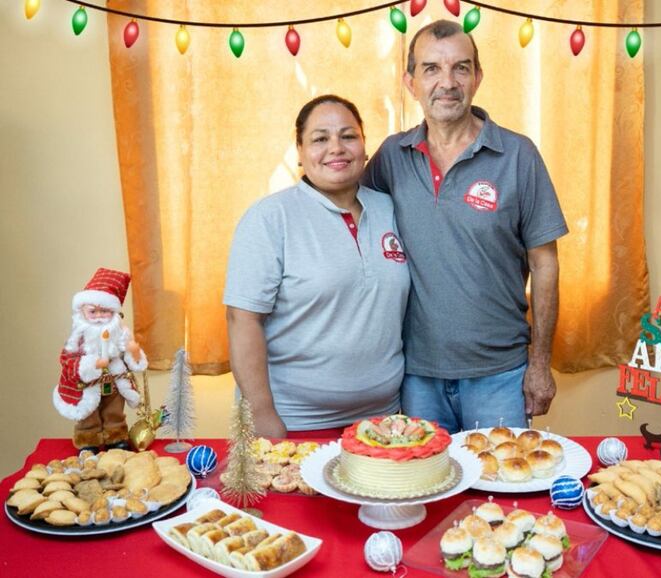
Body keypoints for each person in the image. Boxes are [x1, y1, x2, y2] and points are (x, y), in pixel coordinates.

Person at [362, 20, 568, 433]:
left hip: (501, 375)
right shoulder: (391, 158)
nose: (447, 82)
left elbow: (545, 264)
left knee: (499, 491)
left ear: (477, 77)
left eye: (460, 67)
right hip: (416, 376)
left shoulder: (518, 156)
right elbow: (349, 219)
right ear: (411, 82)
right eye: (432, 69)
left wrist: (540, 364)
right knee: (426, 491)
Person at [224, 95, 410, 437]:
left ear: (364, 146)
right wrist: (262, 415)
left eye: (348, 136)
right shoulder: (269, 218)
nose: (336, 148)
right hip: (294, 422)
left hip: (382, 423)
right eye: (320, 138)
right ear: (299, 151)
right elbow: (242, 320)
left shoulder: (391, 209)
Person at [53, 268, 148, 450]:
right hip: (86, 386)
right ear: (82, 311)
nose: (98, 317)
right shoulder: (78, 337)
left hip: (114, 381)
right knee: (89, 415)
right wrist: (94, 364)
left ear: (114, 313)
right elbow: (67, 361)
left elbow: (133, 360)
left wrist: (134, 352)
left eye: (104, 311)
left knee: (114, 412)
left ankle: (116, 438)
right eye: (93, 312)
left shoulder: (120, 333)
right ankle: (88, 441)